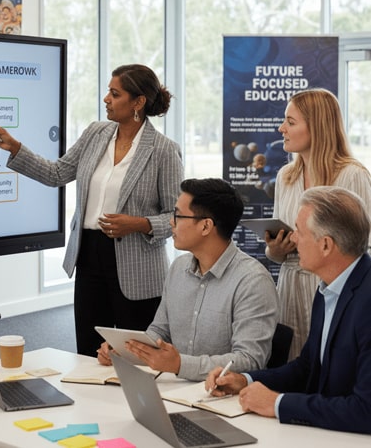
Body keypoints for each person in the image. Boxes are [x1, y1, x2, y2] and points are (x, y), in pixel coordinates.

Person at [0, 64, 184, 357]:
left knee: (136, 355)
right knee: (89, 351)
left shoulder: (164, 150)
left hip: (138, 265)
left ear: (138, 102)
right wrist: (14, 147)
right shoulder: (95, 133)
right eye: (108, 92)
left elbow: (177, 217)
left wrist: (139, 223)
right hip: (89, 255)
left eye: (115, 93)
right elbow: (56, 173)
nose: (106, 99)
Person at [206, 186, 371, 434]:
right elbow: (307, 367)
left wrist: (277, 404)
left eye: (299, 232)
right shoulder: (328, 287)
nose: (293, 239)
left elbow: (366, 412)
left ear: (326, 245)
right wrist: (245, 380)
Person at [98, 178, 280, 381]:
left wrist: (180, 365)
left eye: (177, 215)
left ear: (205, 226)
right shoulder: (178, 268)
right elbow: (160, 331)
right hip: (173, 386)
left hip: (221, 393)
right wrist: (126, 349)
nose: (171, 222)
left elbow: (250, 360)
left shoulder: (253, 281)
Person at [266, 87, 371, 359]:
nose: (281, 128)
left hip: (336, 290)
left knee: (335, 364)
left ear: (317, 126)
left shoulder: (352, 175)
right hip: (290, 289)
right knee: (294, 365)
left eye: (290, 122)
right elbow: (275, 250)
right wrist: (275, 250)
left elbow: (364, 247)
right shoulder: (285, 177)